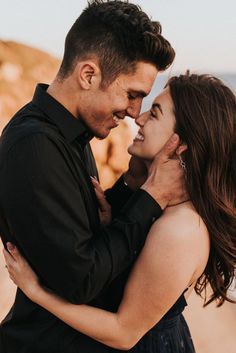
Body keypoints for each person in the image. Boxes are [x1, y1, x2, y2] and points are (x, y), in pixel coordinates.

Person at [0, 1, 185, 353]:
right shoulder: (35, 146)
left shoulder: (73, 134)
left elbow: (82, 233)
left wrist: (127, 190)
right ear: (88, 75)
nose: (134, 113)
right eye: (132, 95)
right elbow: (82, 279)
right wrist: (151, 199)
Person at [4, 73, 236, 353]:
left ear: (181, 144)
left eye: (155, 113)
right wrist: (111, 222)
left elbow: (123, 332)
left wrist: (36, 291)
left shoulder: (181, 228)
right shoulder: (162, 206)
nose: (138, 118)